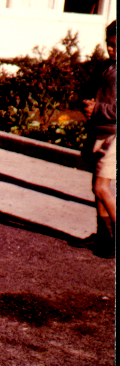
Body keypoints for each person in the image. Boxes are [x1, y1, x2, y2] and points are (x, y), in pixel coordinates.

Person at [81, 21, 116, 258]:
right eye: (109, 44)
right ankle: (104, 235)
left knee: (101, 187)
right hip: (99, 132)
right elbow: (89, 92)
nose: (111, 49)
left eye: (115, 45)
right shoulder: (106, 68)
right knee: (97, 187)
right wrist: (86, 105)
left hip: (115, 135)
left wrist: (97, 109)